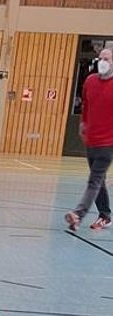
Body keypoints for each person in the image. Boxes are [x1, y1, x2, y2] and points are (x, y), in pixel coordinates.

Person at [65, 48, 113, 232]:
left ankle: (78, 214)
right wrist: (83, 123)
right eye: (100, 58)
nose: (102, 61)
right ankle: (105, 215)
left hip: (108, 144)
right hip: (91, 141)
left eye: (106, 59)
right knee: (99, 180)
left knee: (94, 180)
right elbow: (86, 104)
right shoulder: (90, 81)